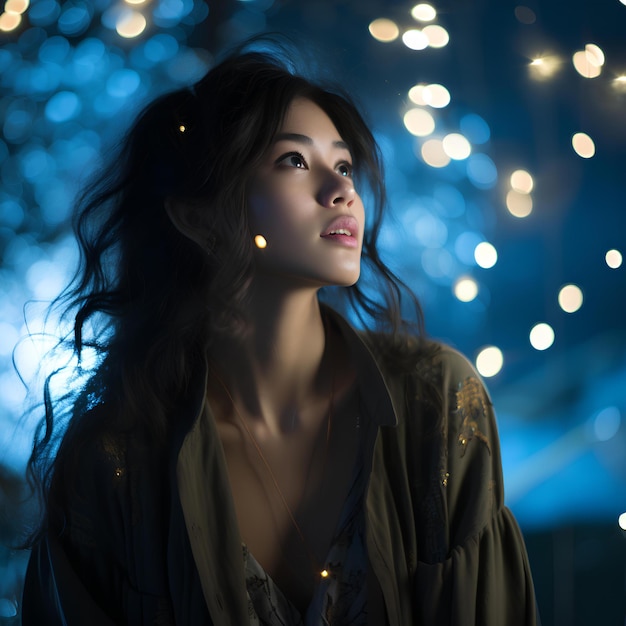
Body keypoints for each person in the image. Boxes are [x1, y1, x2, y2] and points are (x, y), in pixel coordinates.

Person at [21, 40, 538, 625]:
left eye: (343, 165)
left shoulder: (437, 399)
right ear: (197, 215)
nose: (341, 190)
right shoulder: (119, 456)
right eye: (294, 161)